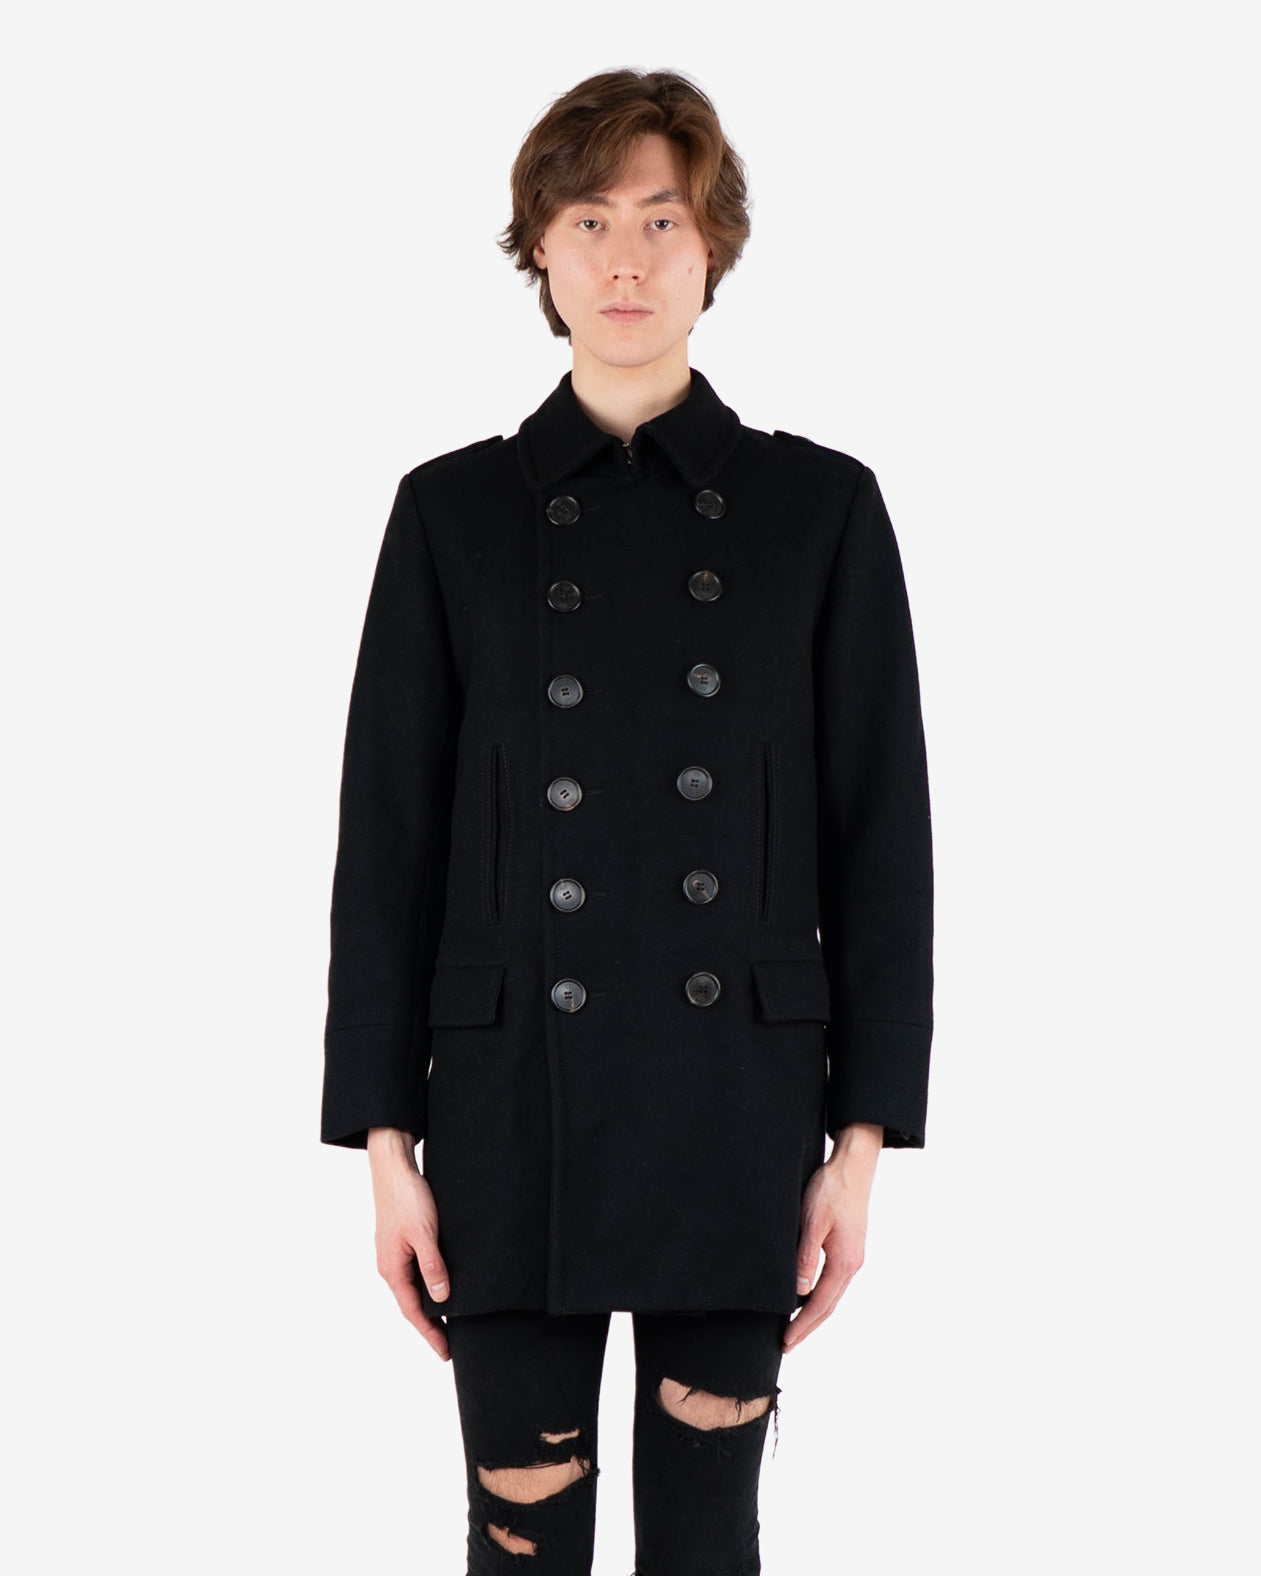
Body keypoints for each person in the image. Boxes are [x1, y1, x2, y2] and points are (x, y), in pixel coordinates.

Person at [321, 67, 934, 1575]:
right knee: (518, 1539)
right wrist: (384, 1143)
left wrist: (860, 1145)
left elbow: (882, 842)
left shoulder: (819, 511)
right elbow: (387, 843)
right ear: (538, 247)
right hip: (504, 1109)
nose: (626, 260)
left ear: (712, 247)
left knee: (708, 1544)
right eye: (589, 220)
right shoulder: (451, 514)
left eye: (663, 219)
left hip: (739, 1111)